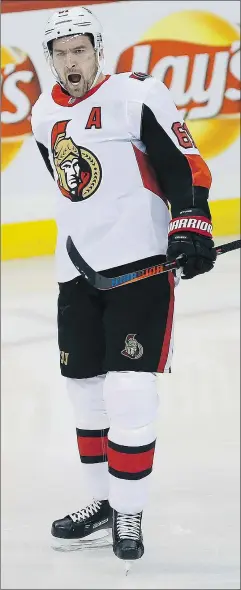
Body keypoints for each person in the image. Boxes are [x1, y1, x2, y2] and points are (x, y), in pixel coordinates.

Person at [31, 5, 216, 563]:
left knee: (130, 392)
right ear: (50, 60)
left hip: (140, 269)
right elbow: (72, 187)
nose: (71, 62)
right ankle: (103, 502)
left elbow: (184, 163)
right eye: (61, 54)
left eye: (80, 50)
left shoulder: (136, 94)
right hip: (76, 271)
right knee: (85, 395)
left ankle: (130, 513)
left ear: (98, 51)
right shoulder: (43, 114)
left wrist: (190, 223)